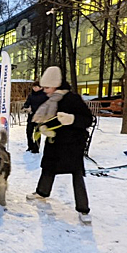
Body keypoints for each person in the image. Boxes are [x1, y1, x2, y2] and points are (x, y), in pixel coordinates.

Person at [26, 66, 93, 224]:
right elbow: (51, 120)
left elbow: (87, 119)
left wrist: (71, 119)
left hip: (72, 144)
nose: (45, 90)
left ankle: (83, 209)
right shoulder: (51, 99)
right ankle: (42, 193)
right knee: (48, 168)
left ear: (56, 84)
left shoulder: (72, 99)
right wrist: (44, 128)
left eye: (47, 87)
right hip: (55, 141)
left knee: (76, 174)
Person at [22, 80, 48, 153]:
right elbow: (26, 103)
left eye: (36, 87)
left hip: (40, 117)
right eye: (33, 87)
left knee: (37, 133)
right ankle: (30, 146)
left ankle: (36, 148)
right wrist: (26, 107)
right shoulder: (31, 95)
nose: (34, 88)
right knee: (29, 132)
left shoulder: (45, 95)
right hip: (31, 116)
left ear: (40, 87)